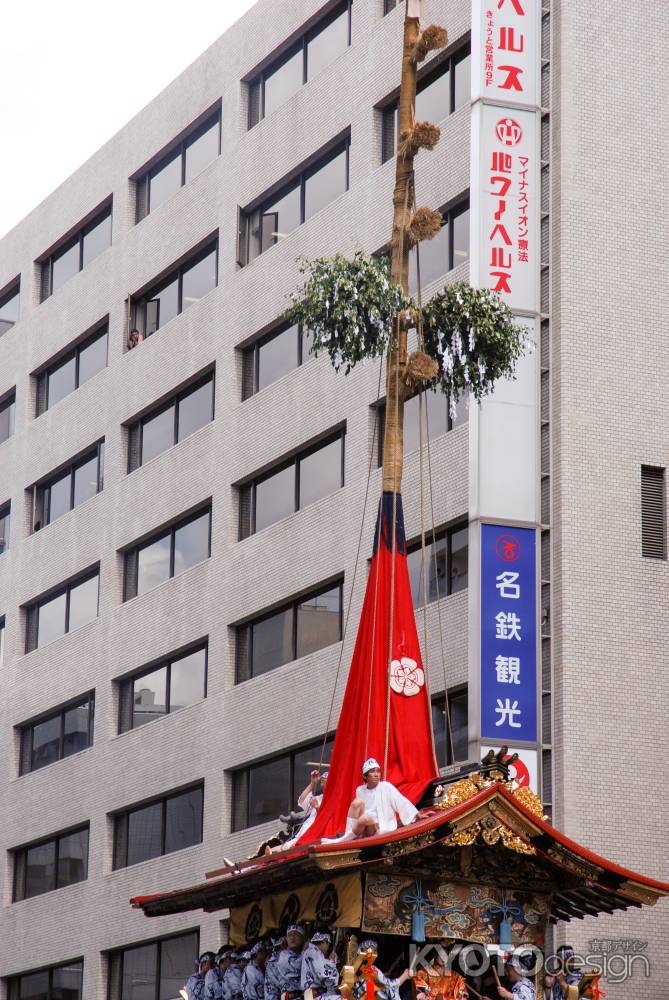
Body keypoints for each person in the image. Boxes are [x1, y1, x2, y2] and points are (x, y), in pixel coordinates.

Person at [325, 759, 418, 843]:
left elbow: (400, 800)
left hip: (379, 826)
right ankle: (348, 835)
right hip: (363, 826)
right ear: (365, 776)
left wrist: (416, 814)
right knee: (357, 803)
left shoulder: (386, 786)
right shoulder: (360, 790)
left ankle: (344, 840)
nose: (376, 774)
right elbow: (358, 811)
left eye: (378, 771)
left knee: (365, 818)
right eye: (372, 772)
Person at [301, 931, 340, 1000]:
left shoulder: (311, 951)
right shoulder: (313, 951)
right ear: (326, 942)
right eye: (321, 943)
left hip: (316, 995)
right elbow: (326, 975)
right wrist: (332, 962)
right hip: (315, 995)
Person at [277, 925, 307, 999]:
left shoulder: (303, 953)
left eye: (296, 934)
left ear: (303, 938)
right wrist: (305, 951)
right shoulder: (284, 955)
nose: (292, 937)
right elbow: (298, 966)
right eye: (289, 935)